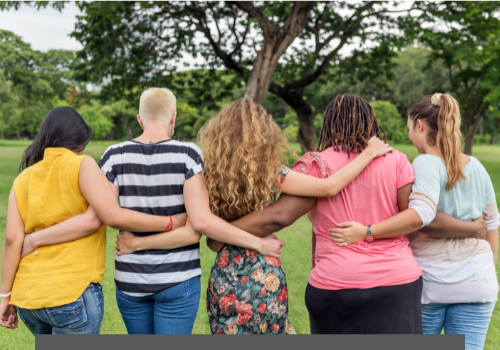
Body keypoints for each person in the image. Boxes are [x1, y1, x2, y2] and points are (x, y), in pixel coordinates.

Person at [206, 94, 488, 334]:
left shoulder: (316, 164)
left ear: (329, 124)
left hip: (335, 285)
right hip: (396, 282)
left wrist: (219, 234)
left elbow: (278, 217)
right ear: (371, 122)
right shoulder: (397, 160)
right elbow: (413, 219)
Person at [117, 98, 393, 334]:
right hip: (264, 271)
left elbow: (199, 224)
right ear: (264, 134)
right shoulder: (271, 172)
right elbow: (328, 186)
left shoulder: (205, 172)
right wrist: (368, 153)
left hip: (225, 275)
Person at [0, 106, 195, 334]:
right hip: (71, 294)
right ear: (78, 142)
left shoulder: (22, 179)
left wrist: (5, 296)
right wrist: (171, 222)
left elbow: (13, 241)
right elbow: (109, 216)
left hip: (29, 300)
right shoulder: (82, 165)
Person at [329, 93, 499, 348]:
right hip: (479, 282)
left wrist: (367, 230)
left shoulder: (425, 163)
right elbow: (492, 226)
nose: (409, 132)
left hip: (433, 283)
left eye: (409, 126)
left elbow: (421, 217)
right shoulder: (477, 166)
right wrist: (486, 270)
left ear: (419, 125)